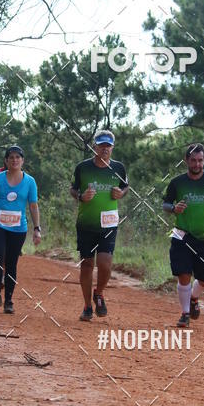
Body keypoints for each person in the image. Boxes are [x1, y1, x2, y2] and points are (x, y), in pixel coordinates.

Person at [163, 142, 204, 328]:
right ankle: (185, 314)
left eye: (200, 161)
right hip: (182, 234)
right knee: (183, 274)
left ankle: (193, 298)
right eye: (193, 161)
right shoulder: (177, 182)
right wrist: (174, 208)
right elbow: (166, 204)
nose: (197, 164)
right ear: (186, 161)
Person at [70, 129, 128, 321]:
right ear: (94, 146)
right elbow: (73, 188)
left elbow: (125, 186)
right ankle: (87, 306)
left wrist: (121, 193)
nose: (104, 149)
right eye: (101, 145)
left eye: (108, 145)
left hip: (109, 224)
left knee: (105, 264)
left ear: (112, 147)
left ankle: (99, 293)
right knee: (87, 265)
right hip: (86, 224)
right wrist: (81, 196)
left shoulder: (119, 168)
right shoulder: (83, 167)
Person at [0, 145, 41, 313]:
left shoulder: (30, 181)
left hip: (18, 229)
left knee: (12, 264)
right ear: (6, 161)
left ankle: (9, 301)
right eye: (11, 157)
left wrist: (37, 228)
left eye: (17, 157)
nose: (14, 160)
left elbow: (33, 206)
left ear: (22, 160)